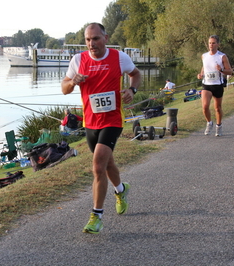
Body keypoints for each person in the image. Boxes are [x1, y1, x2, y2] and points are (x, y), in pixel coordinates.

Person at [61, 22, 141, 234]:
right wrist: (73, 82)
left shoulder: (119, 57)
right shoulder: (78, 60)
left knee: (98, 166)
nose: (91, 43)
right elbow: (64, 88)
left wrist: (132, 90)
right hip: (90, 122)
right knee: (107, 165)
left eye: (95, 38)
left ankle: (96, 216)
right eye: (88, 39)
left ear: (105, 38)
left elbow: (136, 74)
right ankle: (121, 190)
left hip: (113, 120)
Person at [197, 35, 232, 137]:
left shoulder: (222, 56)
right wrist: (201, 74)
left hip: (217, 85)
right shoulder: (204, 56)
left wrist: (221, 70)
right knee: (205, 106)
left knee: (217, 108)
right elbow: (204, 66)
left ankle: (219, 126)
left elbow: (229, 71)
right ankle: (209, 123)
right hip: (206, 84)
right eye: (209, 43)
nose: (211, 45)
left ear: (217, 44)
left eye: (213, 43)